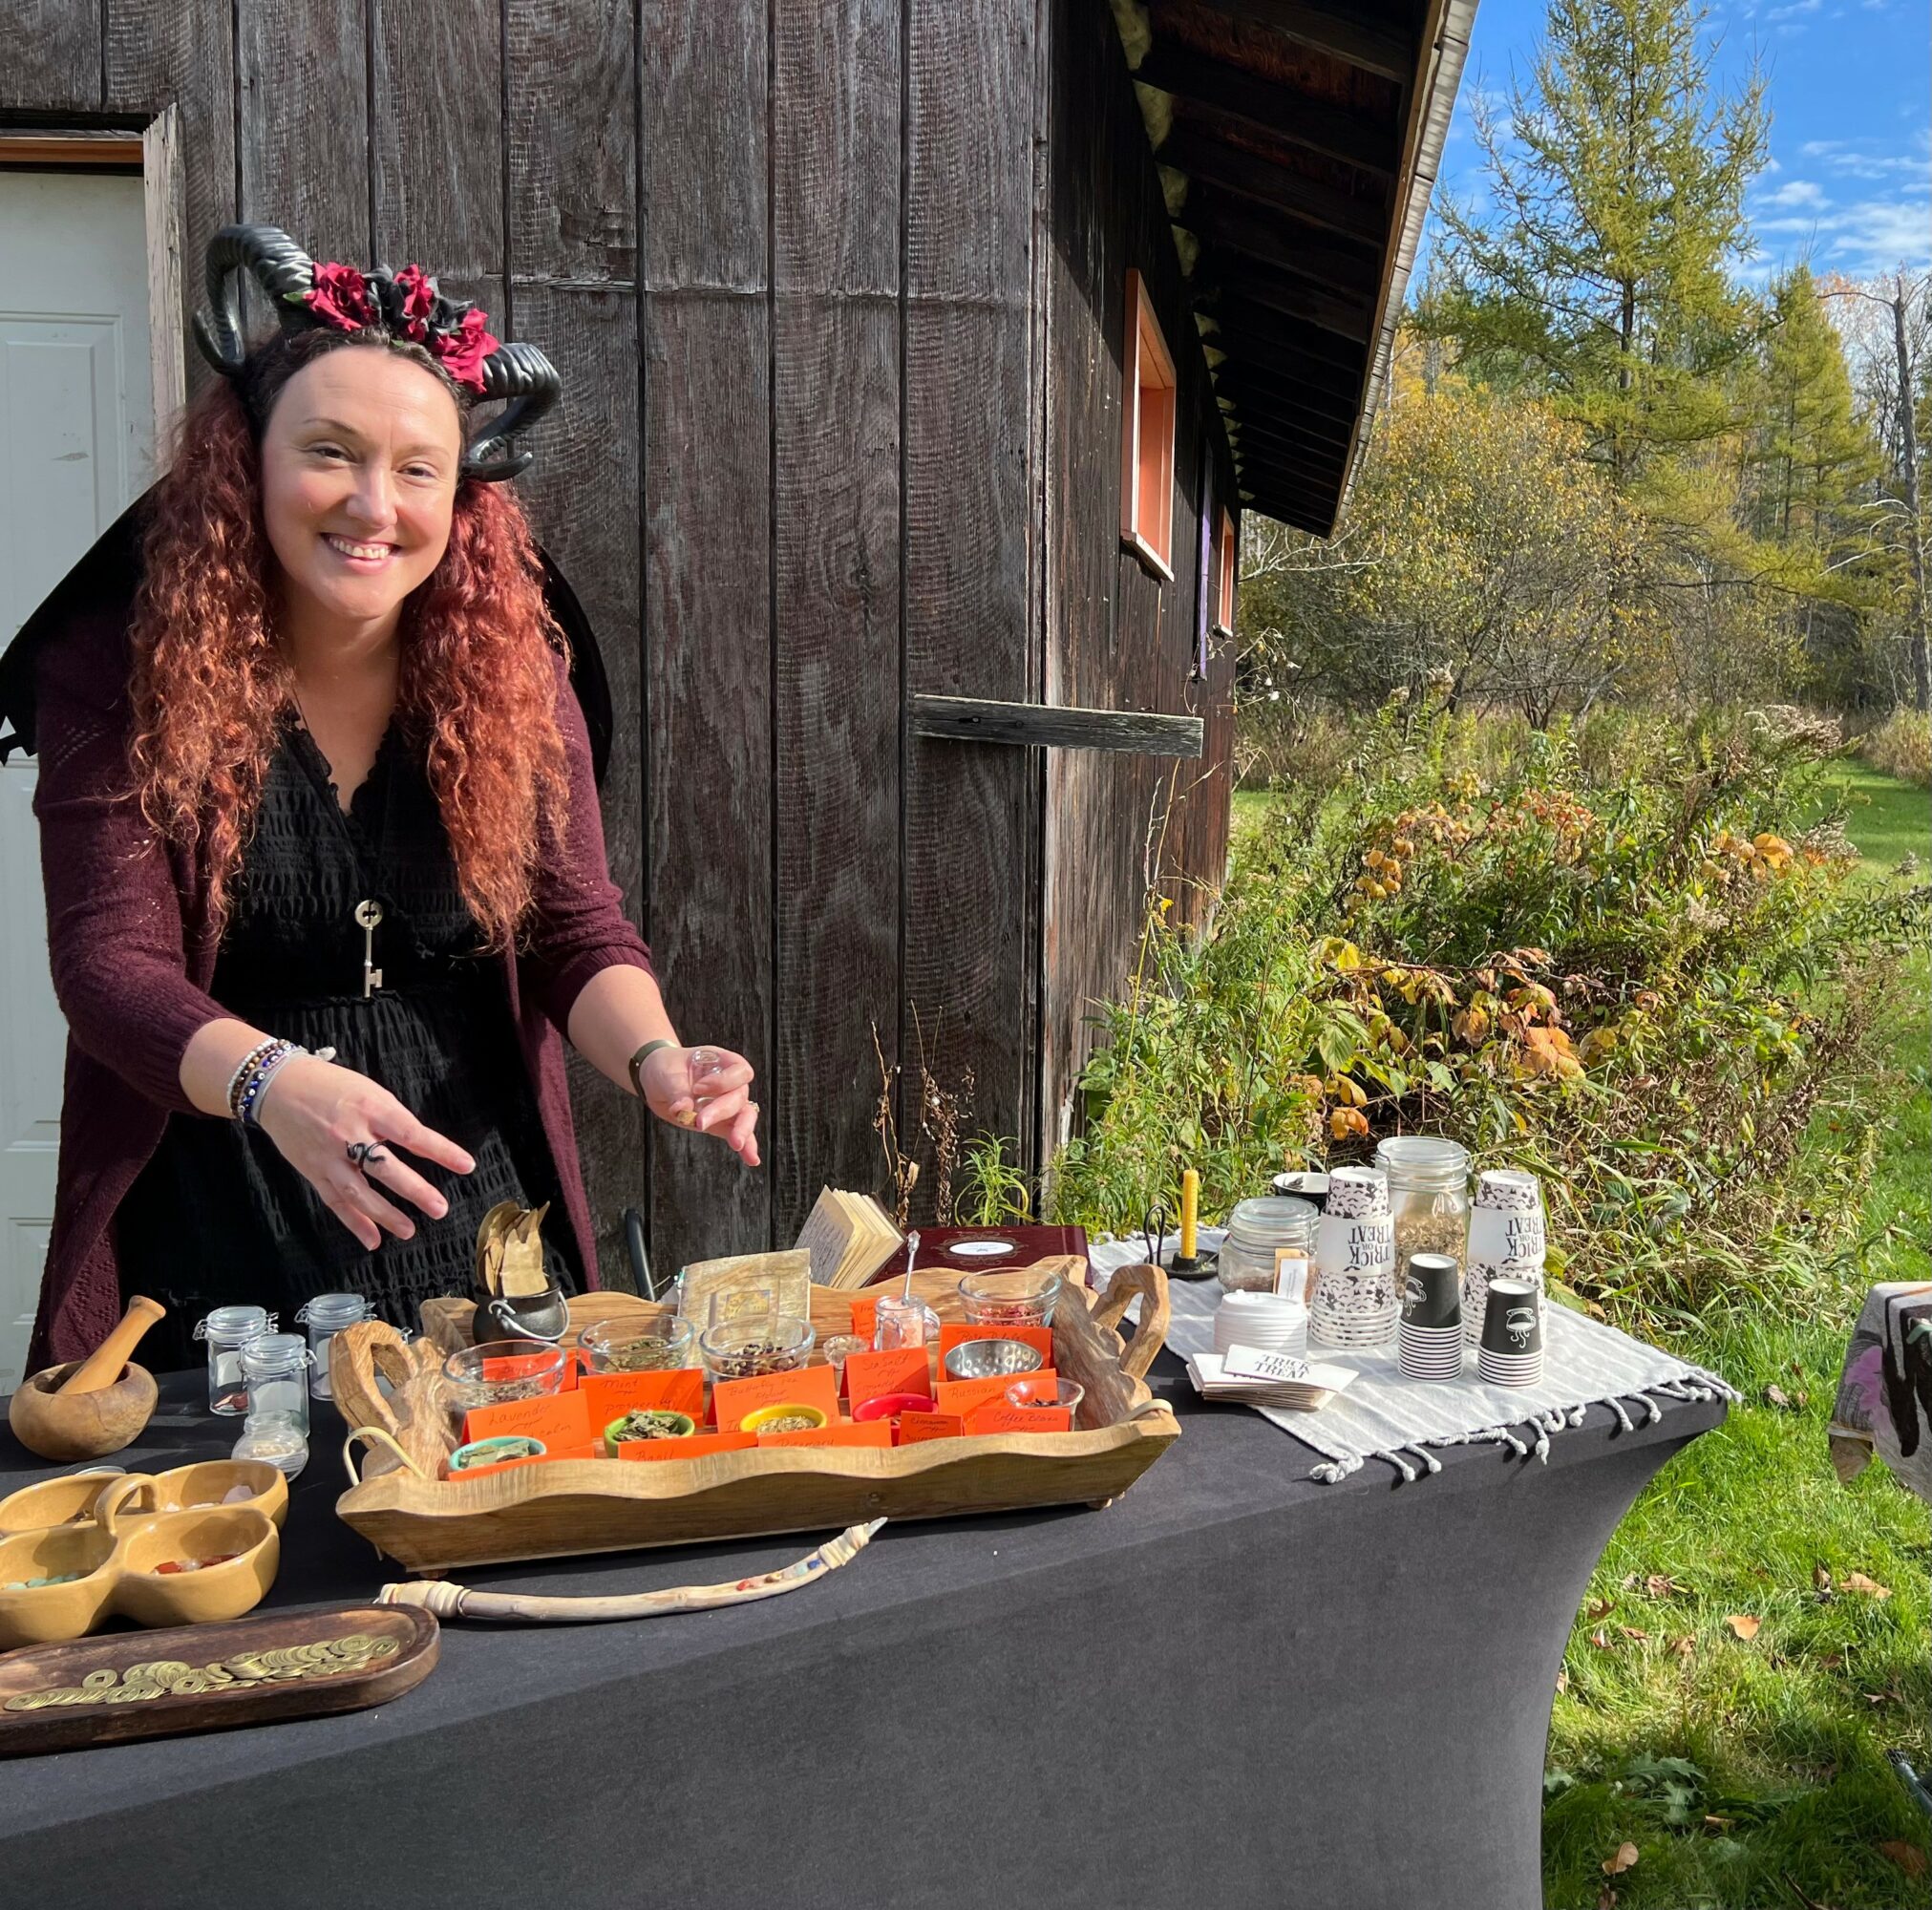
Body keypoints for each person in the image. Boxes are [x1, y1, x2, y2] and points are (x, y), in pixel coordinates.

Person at [6, 223, 758, 1372]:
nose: (373, 504)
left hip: (472, 1201)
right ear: (247, 460)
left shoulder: (510, 668)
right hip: (215, 1204)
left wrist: (656, 1056)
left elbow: (572, 925)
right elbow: (107, 967)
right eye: (330, 451)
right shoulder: (114, 663)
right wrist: (275, 1081)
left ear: (461, 496)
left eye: (416, 467)